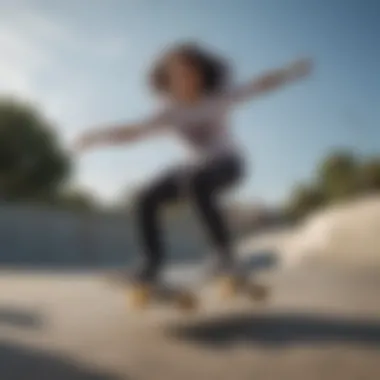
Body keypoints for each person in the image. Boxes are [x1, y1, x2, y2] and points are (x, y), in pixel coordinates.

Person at [74, 42, 313, 288]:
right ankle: (151, 265)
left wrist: (290, 72)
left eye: (191, 73)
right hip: (195, 169)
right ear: (167, 80)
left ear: (203, 74)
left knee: (197, 181)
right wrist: (96, 137)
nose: (186, 80)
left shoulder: (219, 96)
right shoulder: (168, 112)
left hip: (230, 164)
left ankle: (224, 257)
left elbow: (259, 85)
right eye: (178, 75)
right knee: (147, 197)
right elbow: (132, 133)